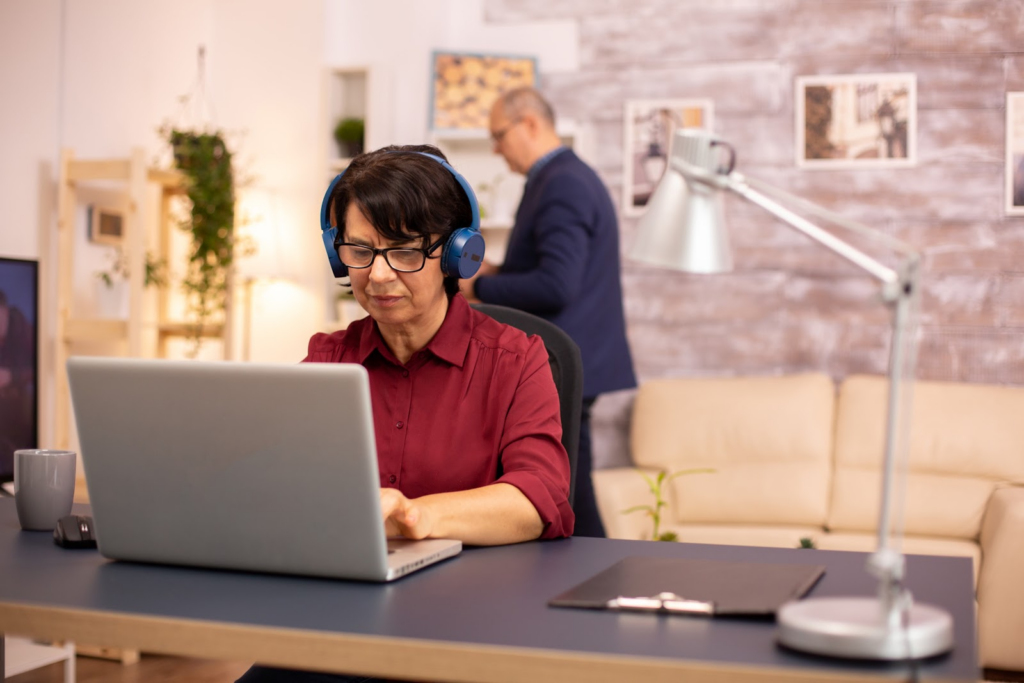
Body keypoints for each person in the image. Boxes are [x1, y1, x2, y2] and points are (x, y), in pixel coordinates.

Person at [236, 145, 574, 683]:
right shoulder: (328, 359)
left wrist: (412, 516)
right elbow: (274, 483)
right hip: (339, 625)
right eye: (361, 251)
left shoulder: (517, 360)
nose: (380, 275)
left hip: (472, 628)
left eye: (405, 251)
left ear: (458, 254)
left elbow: (536, 499)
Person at [460, 87, 636, 538]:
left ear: (531, 124)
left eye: (499, 135)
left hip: (565, 360)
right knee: (568, 488)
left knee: (566, 495)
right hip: (575, 357)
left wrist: (478, 285)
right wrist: (493, 271)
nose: (496, 148)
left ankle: (599, 585)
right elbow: (544, 271)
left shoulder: (562, 183)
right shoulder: (558, 178)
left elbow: (558, 284)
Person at [0, 289, 35, 477]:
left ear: (5, 311)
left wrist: (11, 377)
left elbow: (39, 369)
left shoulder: (23, 329)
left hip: (18, 411)